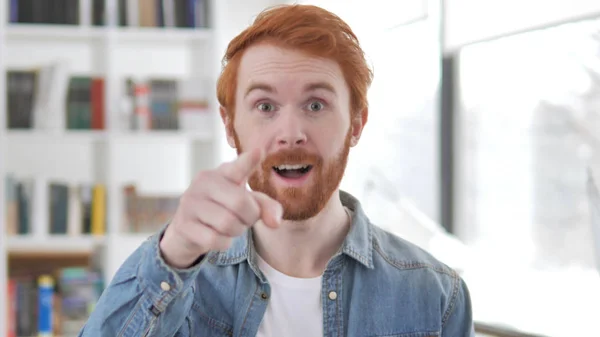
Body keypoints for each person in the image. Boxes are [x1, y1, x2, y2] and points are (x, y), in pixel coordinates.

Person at [79, 4, 474, 337]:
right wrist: (176, 251)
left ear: (356, 123)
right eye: (265, 107)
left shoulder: (436, 295)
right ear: (231, 125)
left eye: (315, 105)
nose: (290, 135)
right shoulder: (175, 275)